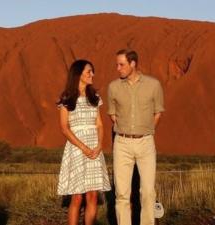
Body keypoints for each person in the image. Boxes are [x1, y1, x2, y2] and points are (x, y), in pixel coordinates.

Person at [107, 49, 164, 225]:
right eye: (117, 64)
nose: (118, 68)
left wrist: (145, 130)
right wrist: (125, 131)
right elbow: (112, 115)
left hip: (146, 142)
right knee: (122, 193)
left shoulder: (153, 85)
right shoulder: (113, 87)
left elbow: (158, 112)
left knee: (147, 191)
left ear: (133, 64)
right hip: (122, 142)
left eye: (121, 64)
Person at [57, 59, 111, 225]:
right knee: (77, 196)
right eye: (89, 72)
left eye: (92, 71)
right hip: (77, 148)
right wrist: (83, 147)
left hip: (94, 148)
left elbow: (100, 125)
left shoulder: (94, 97)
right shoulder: (66, 98)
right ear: (78, 74)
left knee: (93, 195)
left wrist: (99, 145)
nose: (92, 75)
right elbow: (64, 128)